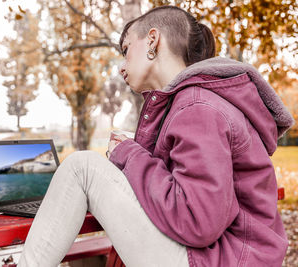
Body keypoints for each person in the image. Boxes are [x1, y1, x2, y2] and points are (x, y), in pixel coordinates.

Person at [19, 5, 294, 267]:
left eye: (126, 50)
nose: (121, 67)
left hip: (220, 259)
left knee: (82, 169)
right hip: (229, 256)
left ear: (153, 40)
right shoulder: (196, 103)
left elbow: (198, 222)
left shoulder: (197, 106)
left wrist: (129, 153)